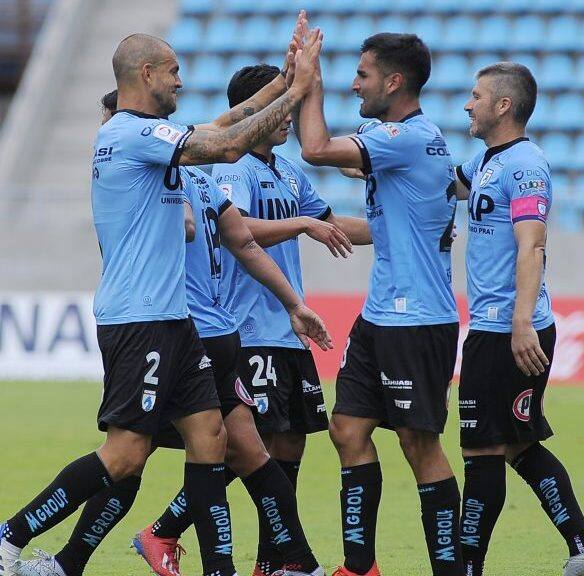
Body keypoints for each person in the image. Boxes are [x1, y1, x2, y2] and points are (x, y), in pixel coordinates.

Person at [0, 28, 326, 576]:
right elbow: (223, 144)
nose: (181, 79)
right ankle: (11, 535)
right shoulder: (130, 134)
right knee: (126, 457)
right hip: (140, 318)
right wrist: (297, 92)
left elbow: (221, 126)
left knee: (211, 439)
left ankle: (216, 569)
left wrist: (286, 83)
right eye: (173, 70)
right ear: (145, 74)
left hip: (175, 321)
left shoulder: (150, 137)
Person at [299, 33, 463, 576]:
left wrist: (310, 80)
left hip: (417, 317)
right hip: (380, 314)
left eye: (363, 75)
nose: (354, 84)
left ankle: (449, 569)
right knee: (346, 427)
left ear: (394, 82)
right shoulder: (397, 139)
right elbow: (349, 163)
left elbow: (317, 150)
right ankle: (359, 566)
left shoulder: (409, 139)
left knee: (420, 445)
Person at [209, 63, 371, 576]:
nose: (289, 117)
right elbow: (240, 230)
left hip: (288, 328)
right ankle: (166, 530)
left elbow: (327, 224)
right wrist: (299, 223)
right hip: (249, 326)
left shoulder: (286, 171)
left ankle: (270, 562)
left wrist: (399, 229)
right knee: (250, 453)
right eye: (280, 106)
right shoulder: (233, 168)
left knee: (288, 448)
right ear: (251, 113)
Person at [453, 62, 584, 576]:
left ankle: (467, 568)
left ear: (503, 106)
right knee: (520, 445)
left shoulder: (526, 165)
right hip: (501, 325)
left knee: (482, 451)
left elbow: (532, 244)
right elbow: (444, 184)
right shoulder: (486, 161)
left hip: (507, 328)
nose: (467, 104)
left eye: (476, 96)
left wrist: (521, 322)